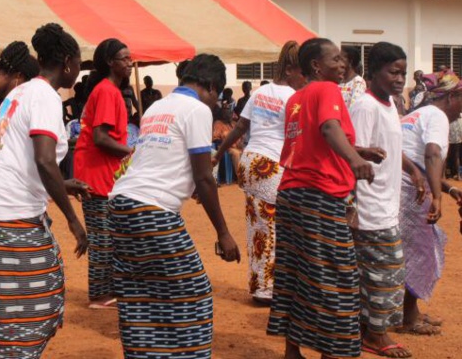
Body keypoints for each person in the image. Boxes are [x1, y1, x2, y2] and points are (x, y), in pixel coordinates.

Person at [0, 23, 89, 359]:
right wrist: (72, 219)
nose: (79, 70)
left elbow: (17, 155)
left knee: (32, 298)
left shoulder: (20, 92)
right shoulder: (46, 96)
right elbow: (45, 160)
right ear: (67, 62)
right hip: (7, 209)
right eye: (79, 63)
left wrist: (62, 186)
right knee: (34, 306)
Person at [109, 53, 240, 359]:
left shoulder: (158, 106)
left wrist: (190, 184)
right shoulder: (196, 109)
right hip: (152, 211)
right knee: (194, 293)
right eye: (216, 95)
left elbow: (160, 158)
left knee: (138, 294)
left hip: (122, 204)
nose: (214, 103)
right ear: (209, 86)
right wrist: (223, 232)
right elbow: (205, 177)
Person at [267, 38, 377, 359]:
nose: (342, 65)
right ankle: (334, 351)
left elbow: (312, 141)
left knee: (295, 271)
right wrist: (356, 162)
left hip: (292, 193)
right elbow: (329, 129)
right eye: (336, 59)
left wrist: (358, 150)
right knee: (337, 274)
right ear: (316, 66)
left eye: (343, 60)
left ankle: (292, 349)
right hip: (319, 195)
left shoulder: (296, 98)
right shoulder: (327, 90)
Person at [213, 41, 305, 305]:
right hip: (271, 166)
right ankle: (267, 290)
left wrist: (219, 154)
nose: (305, 79)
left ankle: (261, 286)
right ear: (290, 70)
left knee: (259, 227)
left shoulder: (261, 92)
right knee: (276, 229)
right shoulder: (292, 98)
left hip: (250, 162)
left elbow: (240, 127)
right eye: (302, 72)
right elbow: (296, 139)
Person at [349, 42, 420, 358]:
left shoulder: (390, 105)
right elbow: (353, 152)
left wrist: (413, 171)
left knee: (377, 273)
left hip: (386, 203)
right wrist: (353, 207)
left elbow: (389, 147)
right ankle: (376, 335)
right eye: (394, 71)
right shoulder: (365, 106)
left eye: (403, 72)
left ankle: (368, 330)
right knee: (386, 274)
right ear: (373, 71)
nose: (400, 78)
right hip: (369, 206)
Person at [398, 70, 462, 336]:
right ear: (451, 96)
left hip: (404, 187)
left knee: (411, 250)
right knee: (420, 251)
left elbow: (419, 159)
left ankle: (408, 312)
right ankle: (408, 318)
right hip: (412, 192)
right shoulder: (437, 116)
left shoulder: (420, 113)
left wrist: (447, 188)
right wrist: (436, 195)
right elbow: (432, 153)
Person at [74, 38, 133, 309]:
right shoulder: (108, 92)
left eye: (130, 58)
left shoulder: (108, 90)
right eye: (124, 58)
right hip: (96, 173)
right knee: (103, 237)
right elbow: (100, 138)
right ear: (111, 62)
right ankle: (98, 294)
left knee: (107, 234)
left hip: (100, 171)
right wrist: (131, 151)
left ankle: (106, 289)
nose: (130, 62)